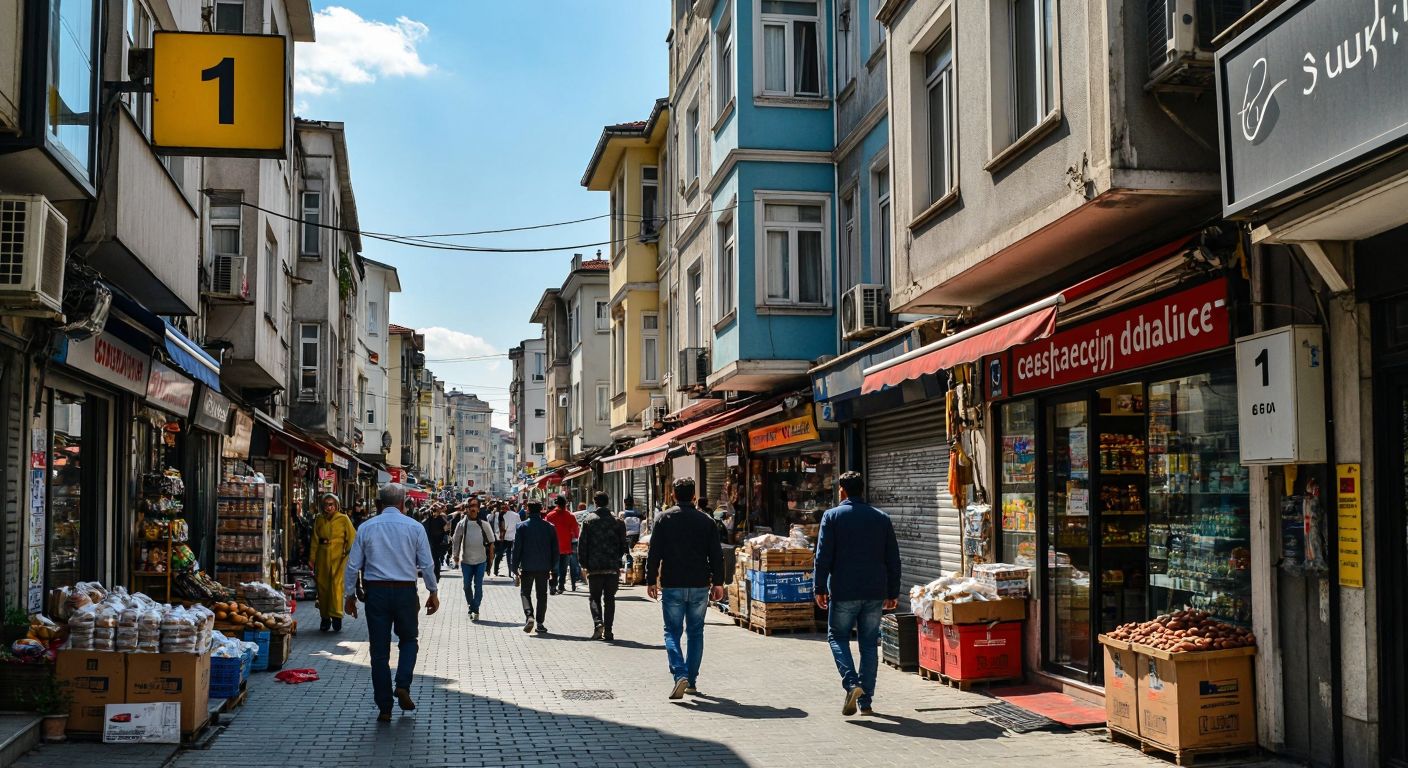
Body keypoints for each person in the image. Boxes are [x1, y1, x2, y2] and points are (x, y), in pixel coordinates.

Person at [343, 483, 440, 723]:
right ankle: (403, 683)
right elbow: (427, 563)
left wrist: (349, 596)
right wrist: (432, 590)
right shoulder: (415, 527)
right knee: (408, 640)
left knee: (379, 651)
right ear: (402, 503)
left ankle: (384, 707)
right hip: (406, 592)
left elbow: (353, 565)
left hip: (376, 593)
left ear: (379, 503)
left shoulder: (366, 527)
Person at [813, 471, 902, 717]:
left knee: (837, 637)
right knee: (869, 644)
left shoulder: (832, 516)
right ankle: (866, 702)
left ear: (842, 490)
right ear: (862, 490)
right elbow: (893, 558)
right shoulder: (881, 518)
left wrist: (819, 588)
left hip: (843, 591)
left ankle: (852, 684)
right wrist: (893, 590)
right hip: (875, 591)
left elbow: (823, 556)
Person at [645, 478, 725, 700]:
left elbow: (654, 553)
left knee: (672, 631)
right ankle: (691, 680)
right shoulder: (706, 521)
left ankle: (679, 672)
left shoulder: (664, 519)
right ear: (693, 496)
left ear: (673, 495)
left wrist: (651, 580)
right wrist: (719, 582)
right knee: (696, 632)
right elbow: (716, 555)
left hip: (672, 584)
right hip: (700, 584)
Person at [579, 491, 629, 641]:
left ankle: (598, 623)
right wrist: (617, 560)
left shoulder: (588, 520)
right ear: (608, 502)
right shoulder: (618, 521)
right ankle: (608, 631)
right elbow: (623, 545)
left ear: (595, 503)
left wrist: (583, 563)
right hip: (612, 567)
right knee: (610, 599)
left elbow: (582, 544)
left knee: (594, 597)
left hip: (594, 566)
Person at [311, 493, 356, 633]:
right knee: (323, 588)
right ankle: (325, 618)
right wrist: (312, 559)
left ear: (336, 505)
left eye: (331, 504)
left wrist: (348, 555)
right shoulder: (319, 519)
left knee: (336, 587)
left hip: (339, 559)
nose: (328, 507)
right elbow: (314, 539)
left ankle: (337, 617)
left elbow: (352, 538)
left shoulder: (343, 519)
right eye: (326, 504)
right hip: (322, 557)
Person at [514, 501, 558, 635]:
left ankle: (529, 616)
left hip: (527, 566)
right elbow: (555, 550)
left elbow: (517, 549)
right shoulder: (550, 527)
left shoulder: (521, 527)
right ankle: (540, 623)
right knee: (542, 595)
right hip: (544, 567)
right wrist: (554, 568)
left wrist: (514, 566)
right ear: (541, 511)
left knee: (525, 593)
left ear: (527, 510)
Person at [450, 498, 494, 620]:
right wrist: (456, 555)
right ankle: (472, 605)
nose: (472, 508)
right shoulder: (461, 524)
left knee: (478, 585)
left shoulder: (484, 525)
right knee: (466, 586)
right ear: (467, 509)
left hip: (481, 561)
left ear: (478, 509)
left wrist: (491, 560)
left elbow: (491, 543)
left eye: (475, 506)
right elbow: (456, 540)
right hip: (466, 561)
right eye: (470, 506)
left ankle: (475, 608)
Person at [544, 496, 580, 594]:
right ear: (566, 504)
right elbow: (576, 531)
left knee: (553, 568)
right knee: (563, 569)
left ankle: (552, 586)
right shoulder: (570, 516)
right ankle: (561, 586)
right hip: (566, 547)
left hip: (553, 547)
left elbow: (546, 531)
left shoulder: (550, 515)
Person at [422, 505, 451, 581]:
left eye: (436, 511)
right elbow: (423, 515)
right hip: (430, 541)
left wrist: (445, 529)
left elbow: (446, 529)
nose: (435, 512)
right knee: (432, 559)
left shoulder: (441, 519)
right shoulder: (429, 519)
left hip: (438, 542)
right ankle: (433, 575)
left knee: (435, 559)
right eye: (434, 511)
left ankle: (436, 575)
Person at [493, 501, 521, 576]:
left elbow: (496, 528)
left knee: (499, 555)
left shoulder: (498, 514)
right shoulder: (516, 515)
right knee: (510, 556)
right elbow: (519, 526)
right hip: (512, 537)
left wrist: (498, 536)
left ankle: (496, 570)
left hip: (502, 538)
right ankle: (510, 572)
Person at [621, 496, 643, 570]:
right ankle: (634, 569)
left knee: (628, 554)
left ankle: (629, 570)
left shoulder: (622, 513)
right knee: (634, 553)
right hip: (636, 535)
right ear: (633, 503)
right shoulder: (638, 513)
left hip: (626, 535)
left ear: (625, 503)